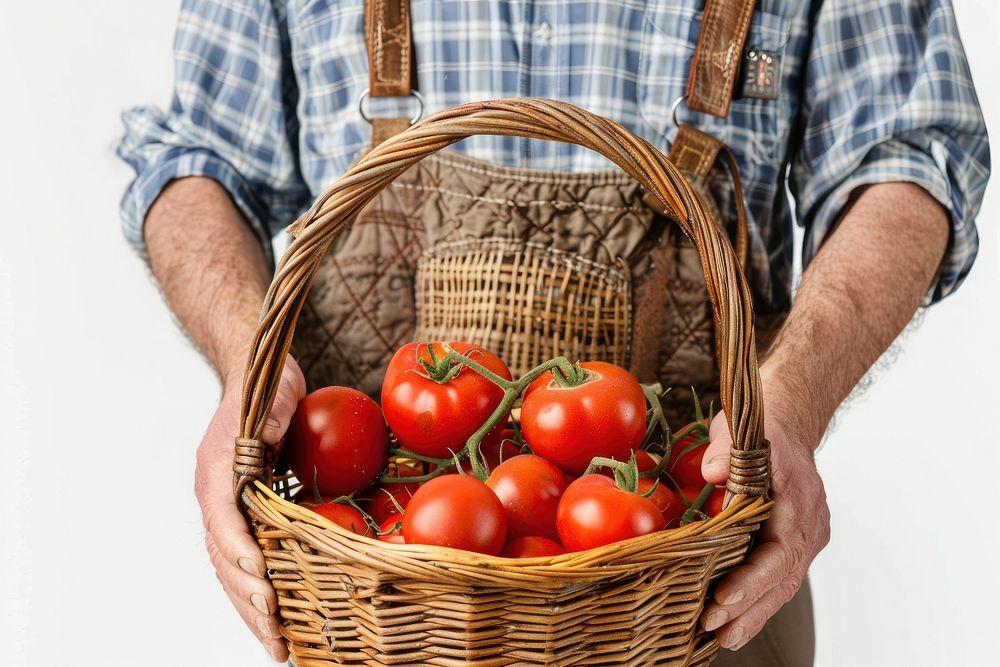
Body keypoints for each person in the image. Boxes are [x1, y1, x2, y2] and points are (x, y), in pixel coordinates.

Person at [118, 0, 989, 664]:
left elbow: (909, 156)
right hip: (373, 598)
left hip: (696, 594)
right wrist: (248, 365)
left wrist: (788, 403)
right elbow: (199, 157)